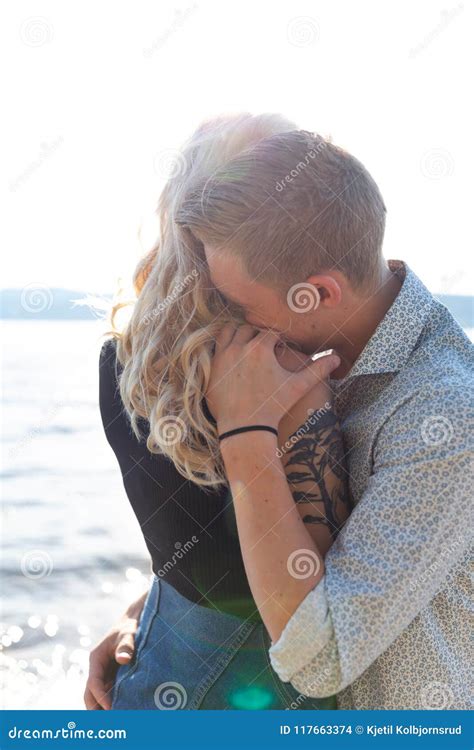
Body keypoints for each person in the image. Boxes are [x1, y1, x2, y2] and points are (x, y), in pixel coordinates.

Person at [85, 112, 473, 711]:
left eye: (235, 300)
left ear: (317, 293)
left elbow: (320, 660)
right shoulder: (332, 345)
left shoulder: (445, 417)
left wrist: (245, 431)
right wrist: (158, 610)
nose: (225, 316)